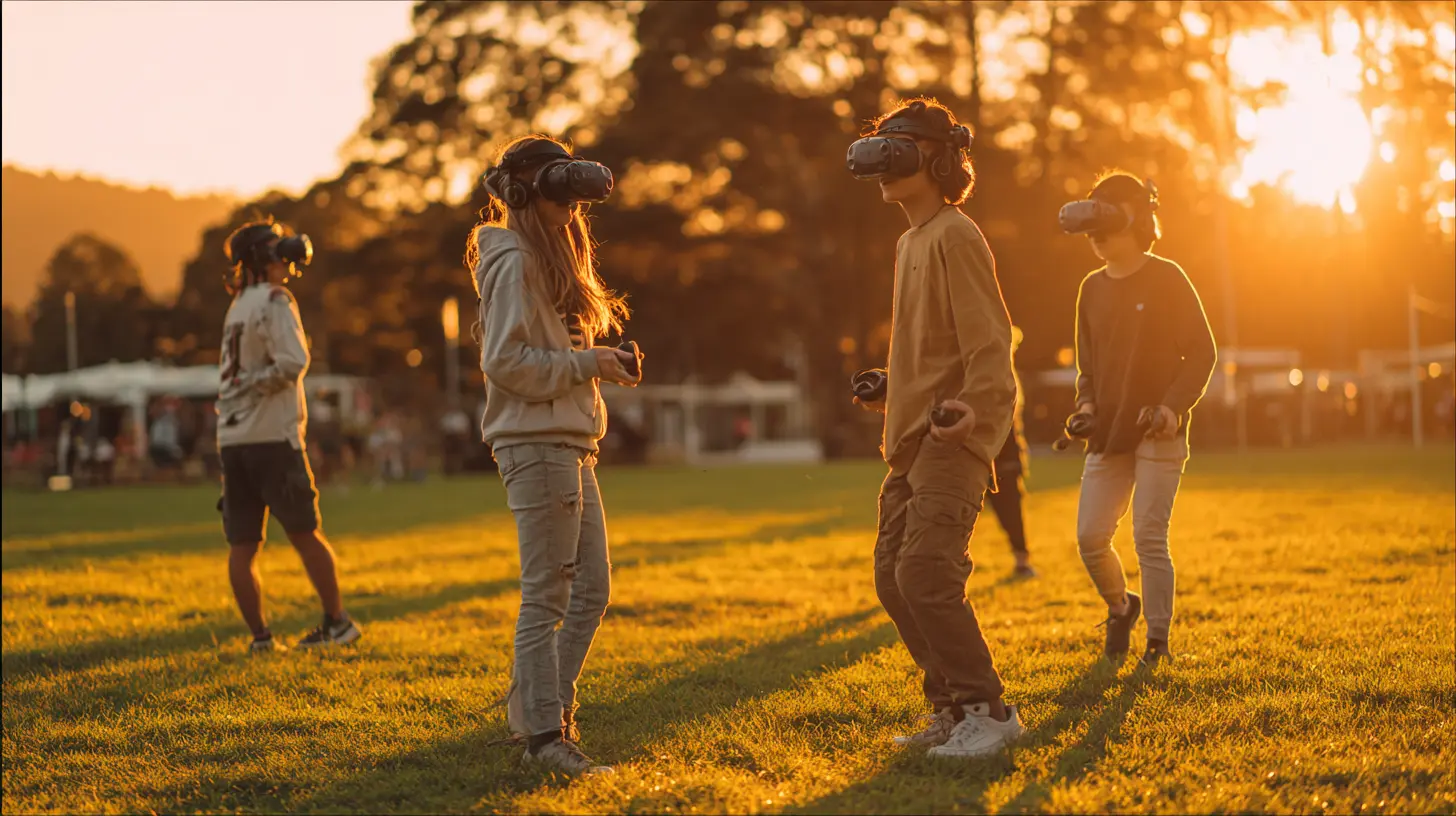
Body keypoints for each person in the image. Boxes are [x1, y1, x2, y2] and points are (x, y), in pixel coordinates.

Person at [847, 98, 1024, 759]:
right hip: (912, 439)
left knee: (925, 572)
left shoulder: (957, 233)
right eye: (880, 145)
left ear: (940, 159)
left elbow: (988, 341)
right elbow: (932, 346)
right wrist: (893, 389)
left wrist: (974, 408)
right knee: (893, 577)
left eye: (900, 145)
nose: (885, 158)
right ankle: (950, 707)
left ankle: (990, 710)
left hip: (954, 440)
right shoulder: (909, 240)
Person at [469, 134, 641, 776]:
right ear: (521, 192)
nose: (570, 207)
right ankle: (545, 737)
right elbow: (505, 362)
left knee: (591, 589)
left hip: (568, 440)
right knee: (547, 596)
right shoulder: (511, 258)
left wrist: (602, 364)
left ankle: (537, 709)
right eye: (558, 191)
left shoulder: (545, 256)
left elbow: (551, 355)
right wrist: (586, 362)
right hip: (537, 444)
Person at [1067, 171, 1217, 667]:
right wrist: (1085, 406)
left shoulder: (1168, 277)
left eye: (1104, 224)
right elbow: (1088, 364)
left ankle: (1157, 641)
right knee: (1090, 537)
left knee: (1149, 537)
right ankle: (1119, 606)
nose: (1096, 237)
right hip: (1108, 433)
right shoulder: (1090, 289)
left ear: (1134, 221)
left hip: (1158, 428)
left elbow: (1202, 352)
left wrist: (1173, 408)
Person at [216, 218, 362, 653]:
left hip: (232, 438)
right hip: (273, 436)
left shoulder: (237, 304)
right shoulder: (276, 300)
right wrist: (257, 383)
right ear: (266, 256)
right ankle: (338, 622)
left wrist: (244, 385)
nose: (286, 258)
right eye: (277, 250)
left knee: (242, 544)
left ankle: (261, 638)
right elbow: (293, 362)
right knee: (304, 531)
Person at [987, 326, 1035, 579]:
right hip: (980, 454)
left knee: (1010, 512)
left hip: (1004, 457)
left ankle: (1022, 558)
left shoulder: (1008, 379)